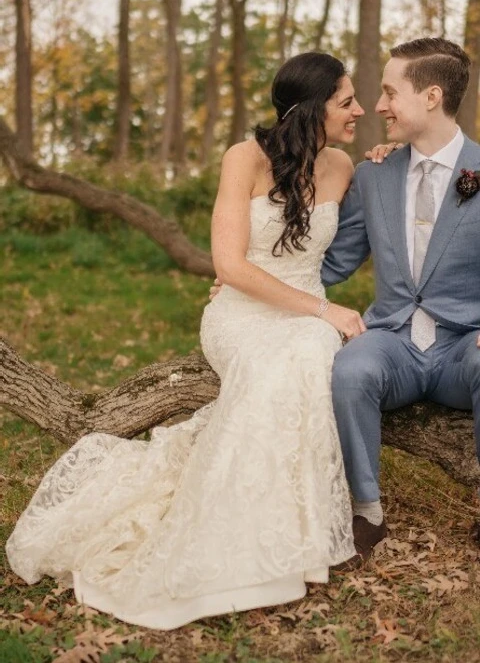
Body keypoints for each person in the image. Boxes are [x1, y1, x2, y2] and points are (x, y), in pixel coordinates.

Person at [7, 52, 372, 630]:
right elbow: (229, 263)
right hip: (242, 314)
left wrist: (383, 162)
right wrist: (324, 310)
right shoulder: (243, 159)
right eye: (346, 101)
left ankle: (286, 532)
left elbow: (351, 233)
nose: (358, 111)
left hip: (303, 310)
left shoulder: (344, 165)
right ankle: (232, 535)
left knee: (306, 353)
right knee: (296, 352)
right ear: (312, 108)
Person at [323, 37, 480, 565]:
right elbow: (334, 263)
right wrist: (255, 277)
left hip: (464, 347)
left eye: (391, 91)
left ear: (431, 96)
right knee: (350, 369)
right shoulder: (373, 174)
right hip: (391, 341)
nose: (380, 104)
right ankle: (367, 513)